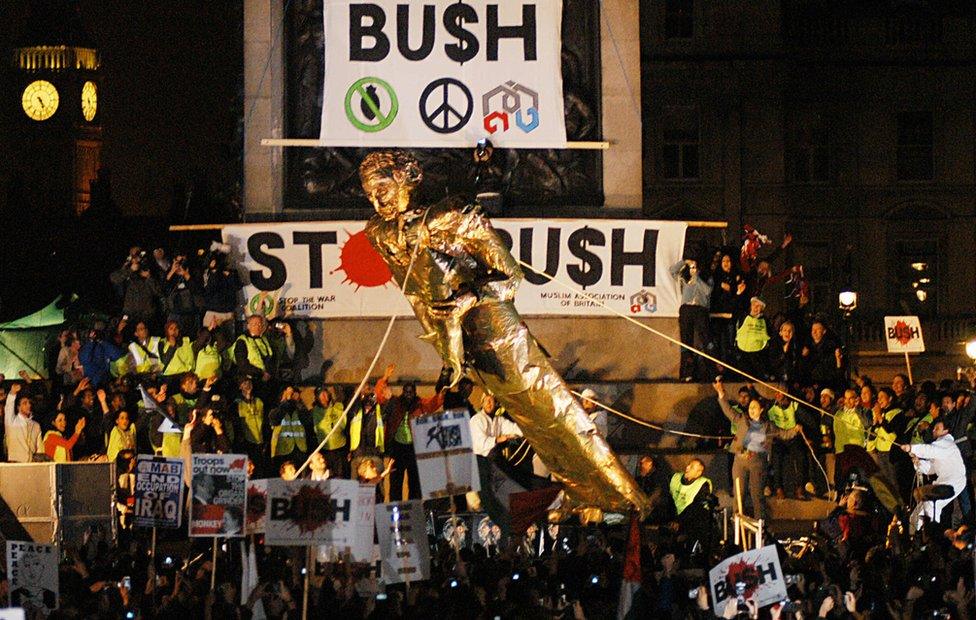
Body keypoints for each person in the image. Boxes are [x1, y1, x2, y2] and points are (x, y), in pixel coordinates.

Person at [360, 150, 649, 516]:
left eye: (382, 187)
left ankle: (617, 497)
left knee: (549, 409)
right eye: (369, 193)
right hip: (455, 339)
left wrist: (470, 298)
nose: (377, 199)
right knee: (532, 416)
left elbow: (510, 276)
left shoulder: (452, 215)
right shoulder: (379, 232)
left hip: (494, 329)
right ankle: (594, 498)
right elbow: (415, 286)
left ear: (408, 177)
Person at [712, 379, 804, 519]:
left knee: (756, 494)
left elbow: (783, 434)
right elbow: (728, 411)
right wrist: (721, 393)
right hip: (740, 460)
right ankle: (738, 520)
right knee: (739, 492)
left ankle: (760, 522)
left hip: (757, 462)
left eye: (755, 407)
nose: (751, 409)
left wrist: (795, 429)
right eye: (750, 407)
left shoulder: (768, 426)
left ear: (761, 410)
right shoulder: (742, 419)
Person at [376, 363, 445, 500]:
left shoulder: (420, 404)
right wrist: (385, 377)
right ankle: (395, 512)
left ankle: (414, 510)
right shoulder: (396, 403)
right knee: (396, 482)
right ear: (403, 392)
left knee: (415, 483)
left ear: (415, 393)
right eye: (406, 392)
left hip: (414, 448)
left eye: (411, 392)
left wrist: (444, 384)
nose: (408, 395)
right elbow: (380, 394)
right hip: (397, 447)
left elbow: (436, 401)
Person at [901, 419, 966, 530]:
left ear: (946, 430)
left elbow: (929, 450)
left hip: (954, 481)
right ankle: (916, 532)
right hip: (945, 481)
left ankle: (930, 535)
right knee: (922, 508)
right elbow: (931, 468)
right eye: (934, 428)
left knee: (930, 505)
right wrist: (918, 462)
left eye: (937, 428)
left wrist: (912, 448)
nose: (934, 430)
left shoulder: (946, 443)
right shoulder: (940, 447)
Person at [670, 258, 713, 382]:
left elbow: (707, 291)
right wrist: (684, 262)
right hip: (686, 309)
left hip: (700, 309)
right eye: (692, 267)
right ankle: (687, 372)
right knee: (686, 341)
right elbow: (672, 271)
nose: (693, 269)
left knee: (705, 340)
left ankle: (710, 371)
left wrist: (697, 278)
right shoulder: (684, 279)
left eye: (695, 267)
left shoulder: (706, 278)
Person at [311, 385, 348, 479]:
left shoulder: (338, 407)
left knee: (340, 475)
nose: (323, 396)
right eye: (320, 394)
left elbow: (345, 425)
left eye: (325, 393)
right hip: (325, 449)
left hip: (340, 448)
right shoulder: (314, 411)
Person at [734, 297, 773, 380]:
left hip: (758, 353)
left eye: (759, 306)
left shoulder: (765, 320)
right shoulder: (743, 316)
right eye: (754, 305)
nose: (756, 308)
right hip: (742, 351)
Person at [635, 455, 674, 523]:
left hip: (657, 511)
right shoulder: (643, 477)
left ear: (649, 464)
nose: (640, 466)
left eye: (642, 463)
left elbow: (657, 491)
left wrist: (646, 504)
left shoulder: (658, 476)